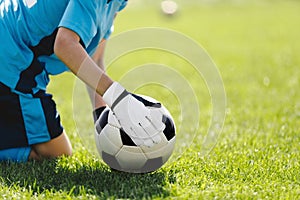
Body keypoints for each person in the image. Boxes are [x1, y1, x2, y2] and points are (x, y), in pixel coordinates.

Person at [0, 0, 165, 162]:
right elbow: (65, 45)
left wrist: (102, 115)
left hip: (15, 56)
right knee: (57, 154)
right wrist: (120, 99)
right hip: (13, 62)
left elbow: (95, 56)